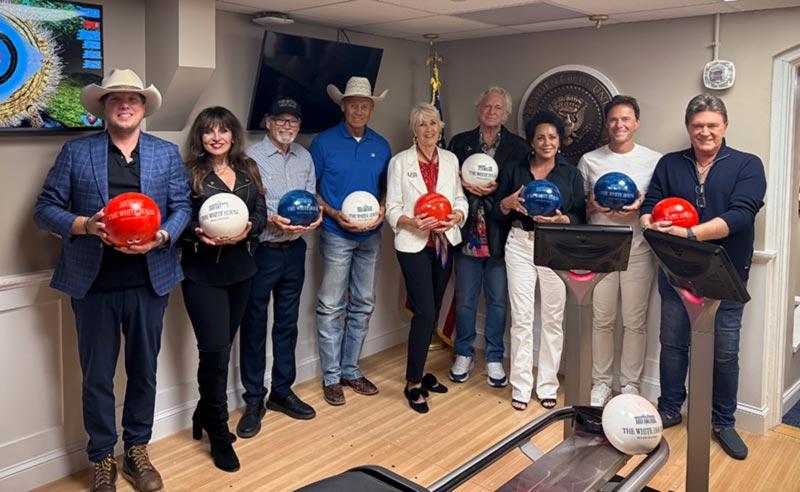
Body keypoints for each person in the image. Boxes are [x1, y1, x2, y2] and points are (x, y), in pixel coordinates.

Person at [33, 68, 191, 492]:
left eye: (133, 99)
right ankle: (101, 457)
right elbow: (44, 208)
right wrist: (85, 224)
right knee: (97, 376)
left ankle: (137, 450)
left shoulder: (165, 153)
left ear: (143, 109)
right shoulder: (76, 152)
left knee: (143, 372)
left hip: (149, 280)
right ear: (104, 107)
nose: (125, 104)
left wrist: (160, 237)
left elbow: (181, 208)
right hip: (93, 284)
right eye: (116, 98)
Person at [641, 94, 766, 460]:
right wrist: (651, 224)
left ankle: (722, 421)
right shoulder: (669, 164)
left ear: (725, 126)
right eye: (698, 126)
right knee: (673, 343)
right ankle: (668, 409)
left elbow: (742, 214)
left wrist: (691, 234)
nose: (705, 132)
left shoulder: (747, 164)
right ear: (688, 128)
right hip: (675, 271)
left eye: (712, 125)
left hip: (725, 274)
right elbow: (650, 206)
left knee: (724, 353)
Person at [180, 107, 267, 471]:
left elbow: (260, 213)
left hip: (242, 272)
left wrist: (251, 229)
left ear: (233, 135)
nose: (217, 137)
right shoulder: (189, 173)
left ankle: (202, 411)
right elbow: (178, 219)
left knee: (223, 350)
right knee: (214, 354)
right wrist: (196, 236)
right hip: (203, 275)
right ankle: (217, 429)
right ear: (200, 137)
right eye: (209, 131)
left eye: (223, 130)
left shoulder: (248, 168)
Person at [237, 98, 322, 438]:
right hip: (262, 250)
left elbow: (311, 198)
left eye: (294, 122)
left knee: (287, 324)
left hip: (295, 250)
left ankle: (282, 392)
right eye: (282, 121)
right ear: (268, 122)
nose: (288, 127)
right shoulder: (250, 158)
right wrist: (269, 219)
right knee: (255, 325)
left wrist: (314, 217)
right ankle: (254, 399)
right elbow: (244, 206)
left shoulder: (305, 157)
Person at [495, 111, 586, 411]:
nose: (546, 142)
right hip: (520, 244)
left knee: (552, 319)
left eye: (552, 137)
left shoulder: (570, 174)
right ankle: (520, 386)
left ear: (560, 141)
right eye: (540, 137)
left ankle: (547, 385)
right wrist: (506, 204)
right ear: (531, 142)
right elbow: (498, 210)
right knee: (521, 318)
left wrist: (564, 219)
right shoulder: (514, 168)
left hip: (555, 246)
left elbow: (580, 215)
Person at [576, 95, 662, 407]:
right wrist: (593, 204)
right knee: (602, 319)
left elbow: (656, 203)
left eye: (625, 119)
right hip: (602, 250)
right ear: (606, 124)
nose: (619, 125)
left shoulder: (653, 160)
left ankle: (630, 385)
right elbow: (582, 200)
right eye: (613, 119)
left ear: (636, 123)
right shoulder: (590, 159)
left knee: (635, 321)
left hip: (638, 249)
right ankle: (600, 383)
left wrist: (641, 208)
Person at [310, 77, 391, 406]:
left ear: (371, 108)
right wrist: (331, 211)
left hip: (371, 236)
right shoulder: (324, 143)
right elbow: (310, 188)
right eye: (353, 104)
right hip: (335, 234)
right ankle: (331, 377)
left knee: (363, 304)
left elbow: (387, 186)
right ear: (343, 106)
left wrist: (383, 208)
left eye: (365, 105)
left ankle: (350, 370)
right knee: (331, 305)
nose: (359, 109)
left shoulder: (381, 145)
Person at [386, 102, 468, 413]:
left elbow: (459, 198)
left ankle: (421, 371)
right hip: (414, 244)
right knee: (424, 311)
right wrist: (411, 222)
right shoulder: (399, 162)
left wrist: (456, 216)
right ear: (413, 130)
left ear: (441, 128)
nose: (428, 130)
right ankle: (412, 382)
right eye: (422, 125)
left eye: (433, 124)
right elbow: (392, 208)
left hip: (445, 242)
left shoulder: (450, 159)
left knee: (433, 312)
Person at [447, 87, 529, 387]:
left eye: (497, 107)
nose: (491, 111)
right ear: (478, 108)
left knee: (497, 302)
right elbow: (448, 179)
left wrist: (498, 192)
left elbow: (521, 186)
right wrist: (463, 184)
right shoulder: (460, 142)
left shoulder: (519, 147)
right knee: (466, 301)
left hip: (500, 234)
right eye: (486, 106)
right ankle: (464, 353)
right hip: (468, 232)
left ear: (505, 113)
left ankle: (494, 357)